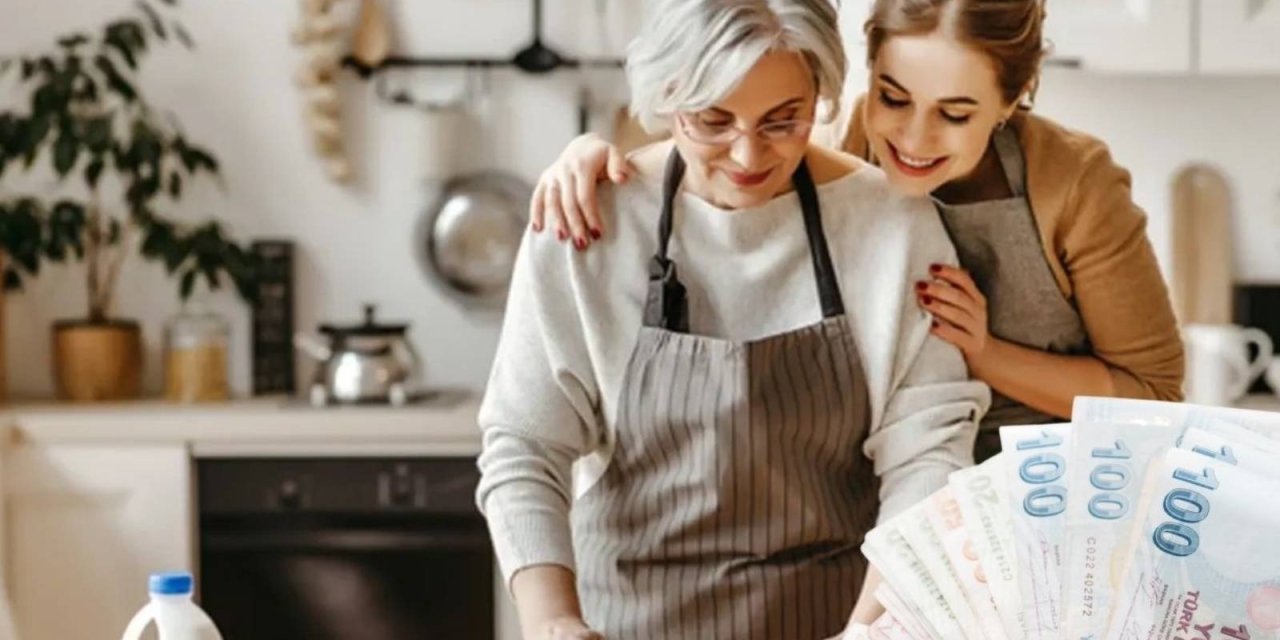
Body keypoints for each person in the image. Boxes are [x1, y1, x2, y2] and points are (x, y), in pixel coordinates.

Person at [475, 0, 989, 637]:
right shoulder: (587, 220)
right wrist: (551, 621)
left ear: (820, 95)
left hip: (837, 617)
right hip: (627, 624)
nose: (748, 155)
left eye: (783, 120)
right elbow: (525, 447)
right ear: (667, 99)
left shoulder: (889, 225)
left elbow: (928, 456)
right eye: (713, 120)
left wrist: (869, 630)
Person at [528, 0, 1185, 461]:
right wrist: (590, 158)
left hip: (1052, 501)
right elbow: (718, 153)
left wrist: (984, 354)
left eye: (956, 114)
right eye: (892, 98)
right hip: (891, 510)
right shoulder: (842, 153)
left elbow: (1152, 394)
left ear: (1013, 101)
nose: (913, 139)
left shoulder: (1072, 182)